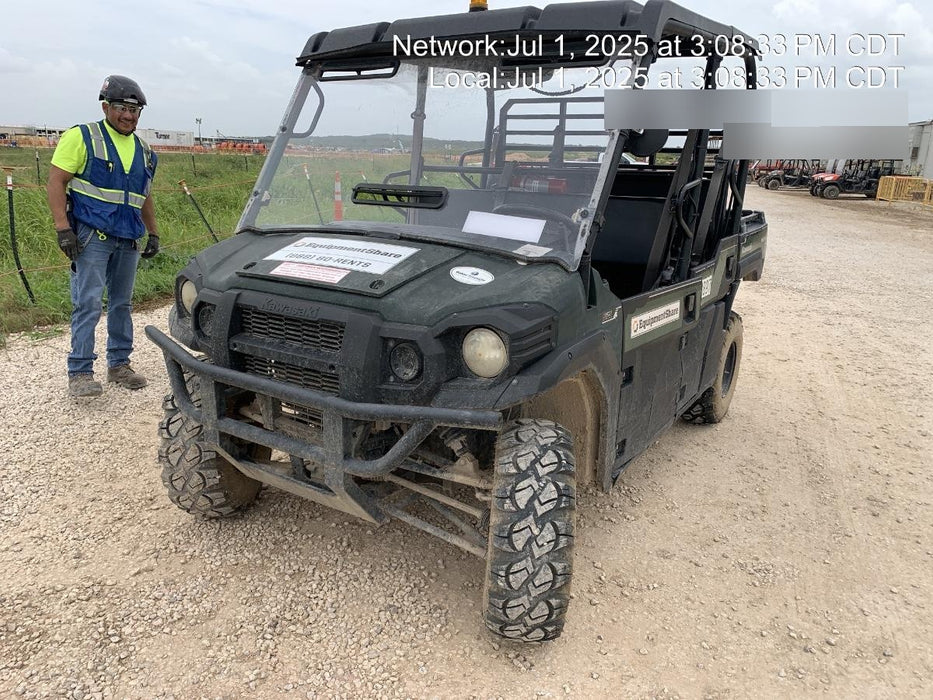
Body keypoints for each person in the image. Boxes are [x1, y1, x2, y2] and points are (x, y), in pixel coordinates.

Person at [47, 75, 160, 397]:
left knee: (122, 304)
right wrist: (63, 229)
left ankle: (119, 365)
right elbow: (56, 182)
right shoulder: (82, 137)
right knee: (88, 303)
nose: (129, 116)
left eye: (135, 110)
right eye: (122, 108)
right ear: (105, 107)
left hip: (128, 238)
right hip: (91, 236)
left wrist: (153, 232)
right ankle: (80, 371)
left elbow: (145, 196)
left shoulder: (145, 150)